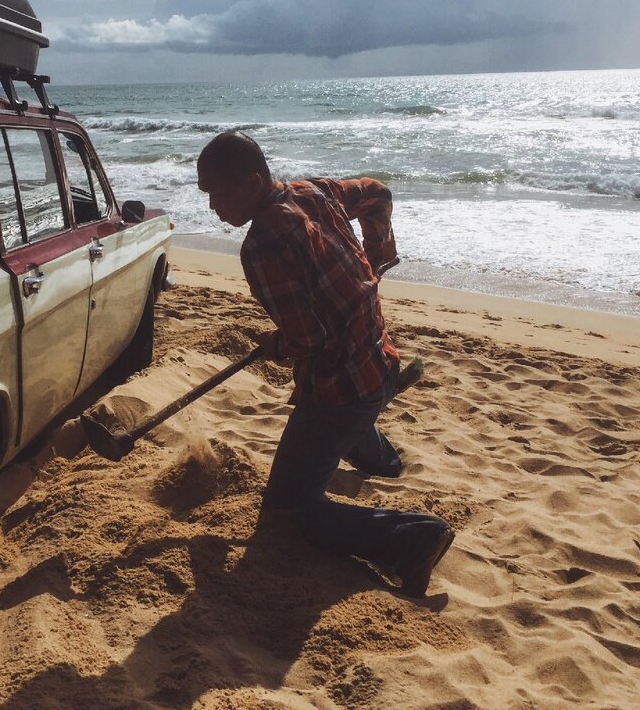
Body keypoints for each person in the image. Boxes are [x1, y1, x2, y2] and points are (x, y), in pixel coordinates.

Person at [195, 131, 455, 597]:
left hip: (341, 389)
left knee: (288, 513)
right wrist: (378, 258)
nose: (213, 205)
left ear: (253, 183)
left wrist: (277, 345)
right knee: (348, 415)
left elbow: (307, 340)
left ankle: (414, 538)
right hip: (378, 361)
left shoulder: (263, 246)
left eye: (219, 192)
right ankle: (387, 462)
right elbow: (380, 194)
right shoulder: (312, 190)